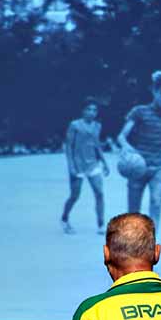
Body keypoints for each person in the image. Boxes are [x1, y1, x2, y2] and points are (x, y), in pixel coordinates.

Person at [118, 71, 161, 233]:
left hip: (159, 167)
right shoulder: (139, 112)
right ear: (154, 91)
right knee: (133, 213)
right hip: (139, 165)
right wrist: (126, 147)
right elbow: (122, 136)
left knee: (156, 202)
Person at [62, 98, 110, 235]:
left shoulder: (97, 126)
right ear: (83, 111)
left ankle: (101, 224)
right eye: (89, 109)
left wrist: (104, 162)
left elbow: (97, 145)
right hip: (77, 164)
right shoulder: (75, 125)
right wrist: (71, 166)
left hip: (93, 164)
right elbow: (69, 147)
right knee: (75, 195)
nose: (92, 112)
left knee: (99, 193)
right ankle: (64, 219)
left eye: (94, 110)